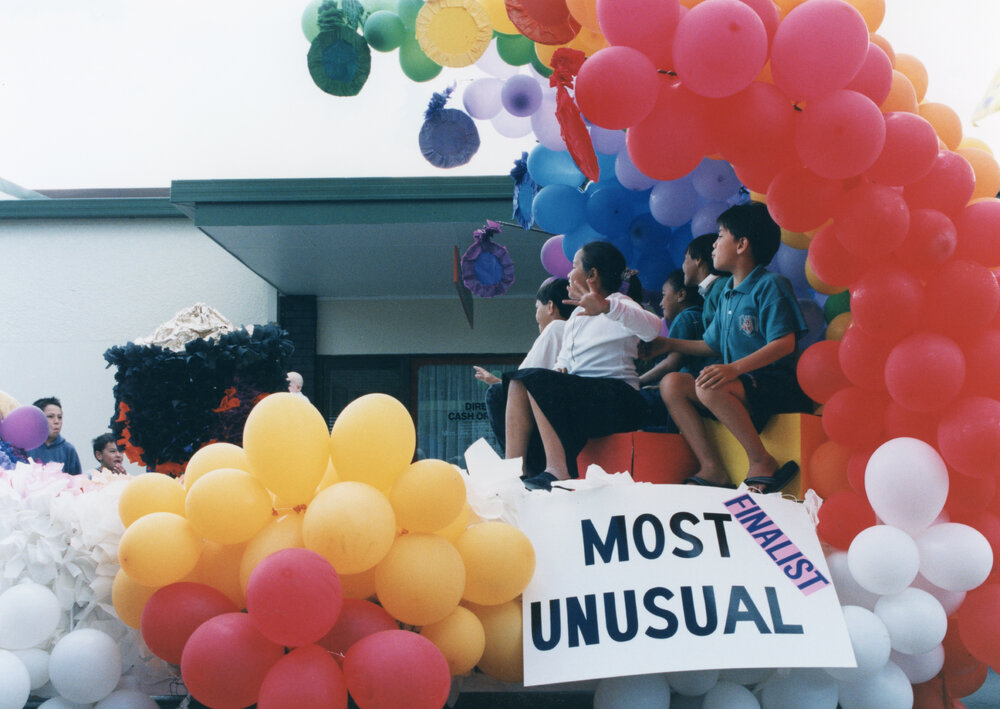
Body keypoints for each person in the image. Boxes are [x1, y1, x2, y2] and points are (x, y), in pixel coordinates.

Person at [650, 202, 809, 493]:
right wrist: (667, 343)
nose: (713, 244)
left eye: (720, 235)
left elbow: (785, 343)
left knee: (709, 385)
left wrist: (733, 368)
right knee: (672, 383)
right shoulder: (726, 295)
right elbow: (711, 344)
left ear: (741, 244)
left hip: (775, 384)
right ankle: (712, 468)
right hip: (740, 384)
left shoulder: (770, 285)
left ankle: (761, 461)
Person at [504, 242, 662, 490]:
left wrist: (606, 307)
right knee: (512, 384)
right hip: (584, 395)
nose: (567, 273)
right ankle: (515, 473)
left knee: (536, 379)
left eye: (574, 266)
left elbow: (653, 328)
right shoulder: (577, 315)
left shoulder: (621, 304)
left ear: (592, 275)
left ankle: (558, 469)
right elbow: (564, 362)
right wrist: (558, 372)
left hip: (620, 399)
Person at [474, 278, 574, 454]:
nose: (536, 316)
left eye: (537, 308)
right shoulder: (576, 330)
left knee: (496, 394)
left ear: (550, 306)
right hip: (565, 412)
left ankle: (516, 464)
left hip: (550, 416)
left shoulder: (556, 328)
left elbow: (522, 379)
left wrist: (498, 385)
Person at [26, 396, 83, 475]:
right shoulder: (25, 447)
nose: (57, 421)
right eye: (50, 416)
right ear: (37, 419)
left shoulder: (68, 450)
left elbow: (77, 481)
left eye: (59, 417)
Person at [683, 232, 730, 329]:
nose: (682, 265)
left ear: (698, 259)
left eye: (685, 258)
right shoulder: (715, 289)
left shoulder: (721, 288)